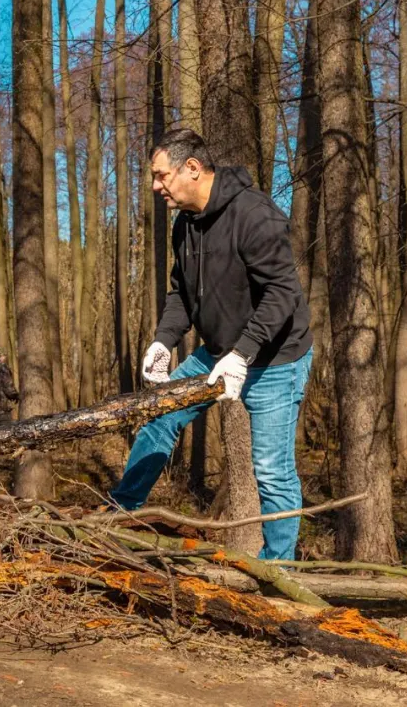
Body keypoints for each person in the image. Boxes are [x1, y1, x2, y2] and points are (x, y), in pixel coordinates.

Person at [111, 129, 313, 561]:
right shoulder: (185, 224)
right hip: (216, 352)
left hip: (276, 357)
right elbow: (181, 293)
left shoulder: (255, 215)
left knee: (272, 472)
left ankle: (280, 574)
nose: (155, 186)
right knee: (159, 421)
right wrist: (164, 342)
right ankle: (114, 520)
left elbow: (282, 294)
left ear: (192, 169)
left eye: (161, 176)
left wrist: (243, 354)